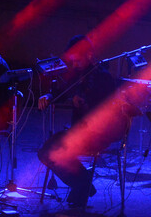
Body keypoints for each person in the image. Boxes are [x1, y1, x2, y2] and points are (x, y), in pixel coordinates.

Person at [36, 35, 117, 207]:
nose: (74, 65)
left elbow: (108, 110)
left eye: (77, 61)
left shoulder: (104, 77)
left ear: (89, 55)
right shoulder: (78, 74)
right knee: (46, 152)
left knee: (54, 151)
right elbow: (63, 91)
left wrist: (85, 102)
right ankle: (84, 184)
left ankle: (82, 187)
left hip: (97, 134)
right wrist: (49, 95)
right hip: (77, 131)